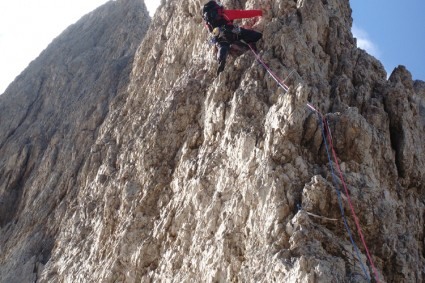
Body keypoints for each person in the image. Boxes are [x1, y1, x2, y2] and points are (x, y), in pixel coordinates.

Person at [201, 1, 263, 75]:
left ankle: (221, 59)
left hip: (218, 37)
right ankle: (257, 40)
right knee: (251, 34)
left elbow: (211, 32)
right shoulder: (224, 13)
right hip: (231, 32)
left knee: (222, 45)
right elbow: (242, 14)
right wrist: (259, 12)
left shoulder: (208, 22)